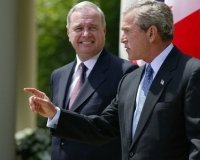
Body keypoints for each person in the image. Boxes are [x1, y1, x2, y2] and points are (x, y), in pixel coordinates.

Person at [24, 0, 200, 159]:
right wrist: (55, 113)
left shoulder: (194, 74)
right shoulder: (131, 79)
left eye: (127, 31)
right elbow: (101, 127)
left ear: (151, 33)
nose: (122, 39)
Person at [32, 1, 137, 160]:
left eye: (93, 27)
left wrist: (56, 113)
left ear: (104, 31)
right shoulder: (58, 75)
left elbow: (111, 129)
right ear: (68, 33)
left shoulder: (126, 72)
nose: (86, 34)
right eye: (79, 28)